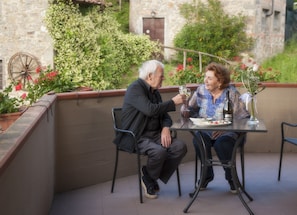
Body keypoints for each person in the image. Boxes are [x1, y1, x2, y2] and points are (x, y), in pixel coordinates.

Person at [114, 60, 187, 199]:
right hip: (136, 135)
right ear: (150, 76)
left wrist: (165, 128)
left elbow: (164, 115)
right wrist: (172, 102)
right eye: (161, 75)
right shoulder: (135, 88)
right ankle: (150, 178)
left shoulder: (155, 92)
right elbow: (150, 110)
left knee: (180, 147)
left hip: (155, 135)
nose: (163, 78)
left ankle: (148, 176)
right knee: (159, 151)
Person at [184, 62, 250, 194]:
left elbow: (244, 118)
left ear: (219, 81)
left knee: (222, 143)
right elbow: (190, 109)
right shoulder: (201, 90)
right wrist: (185, 110)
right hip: (206, 131)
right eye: (205, 77)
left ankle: (232, 178)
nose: (205, 81)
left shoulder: (231, 93)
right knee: (198, 139)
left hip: (229, 134)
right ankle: (206, 175)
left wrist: (227, 129)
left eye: (209, 78)